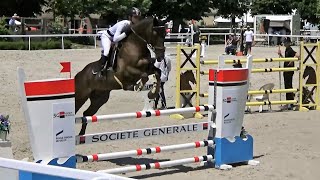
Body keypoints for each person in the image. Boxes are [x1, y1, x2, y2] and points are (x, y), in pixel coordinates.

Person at [96, 7, 141, 72]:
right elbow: (115, 39)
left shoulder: (134, 26)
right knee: (107, 52)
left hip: (117, 38)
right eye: (135, 17)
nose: (137, 20)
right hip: (107, 37)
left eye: (138, 18)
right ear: (130, 17)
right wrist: (126, 33)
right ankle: (100, 68)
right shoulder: (124, 24)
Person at [278, 37, 300, 110]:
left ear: (289, 43)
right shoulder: (286, 50)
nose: (284, 43)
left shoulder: (290, 49)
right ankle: (288, 102)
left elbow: (298, 55)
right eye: (284, 42)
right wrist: (280, 55)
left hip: (289, 70)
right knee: (287, 86)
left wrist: (292, 61)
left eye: (285, 42)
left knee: (288, 86)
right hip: (286, 70)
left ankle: (290, 103)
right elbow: (285, 59)